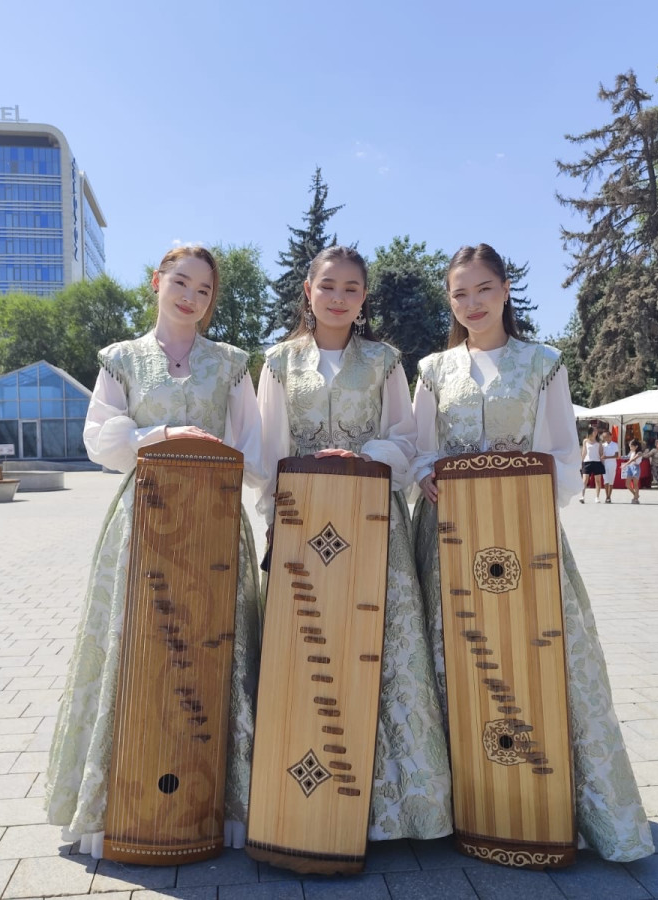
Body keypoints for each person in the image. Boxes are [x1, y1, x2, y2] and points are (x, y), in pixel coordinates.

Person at [411, 243, 653, 863]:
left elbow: (563, 455)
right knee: (453, 657)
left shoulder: (543, 362)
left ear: (505, 290)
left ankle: (548, 798)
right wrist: (424, 475)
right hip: (450, 535)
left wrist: (524, 498)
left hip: (524, 532)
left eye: (483, 289)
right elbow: (420, 447)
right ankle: (466, 803)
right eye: (460, 293)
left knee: (541, 657)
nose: (472, 304)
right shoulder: (433, 370)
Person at [44, 246, 265, 857]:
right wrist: (162, 434)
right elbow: (102, 441)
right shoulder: (121, 359)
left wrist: (218, 456)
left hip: (216, 518)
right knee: (137, 646)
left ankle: (220, 807)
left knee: (220, 648)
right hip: (143, 518)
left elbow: (255, 447)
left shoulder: (232, 364)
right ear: (157, 283)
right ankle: (121, 804)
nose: (190, 296)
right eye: (180, 283)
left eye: (203, 289)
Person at [256, 244, 451, 841]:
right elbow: (268, 451)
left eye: (351, 288)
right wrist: (274, 515)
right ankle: (304, 802)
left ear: (363, 299)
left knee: (382, 644)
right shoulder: (278, 363)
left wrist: (363, 455)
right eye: (328, 286)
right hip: (304, 519)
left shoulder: (388, 362)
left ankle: (397, 808)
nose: (338, 297)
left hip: (374, 519)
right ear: (308, 292)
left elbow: (407, 437)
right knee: (314, 644)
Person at [580, 424, 605, 503]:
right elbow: (584, 452)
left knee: (597, 480)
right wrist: (581, 461)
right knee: (585, 480)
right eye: (594, 430)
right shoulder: (585, 441)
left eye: (596, 430)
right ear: (590, 431)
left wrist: (603, 460)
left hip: (597, 462)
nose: (596, 432)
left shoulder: (599, 442)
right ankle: (582, 496)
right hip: (587, 461)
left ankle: (597, 497)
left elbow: (601, 453)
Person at [623, 439, 644, 504]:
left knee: (635, 485)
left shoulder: (639, 453)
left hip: (636, 468)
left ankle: (635, 498)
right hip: (630, 467)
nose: (630, 447)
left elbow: (633, 459)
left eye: (631, 446)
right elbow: (628, 457)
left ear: (636, 446)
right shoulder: (631, 452)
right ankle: (636, 494)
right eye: (629, 446)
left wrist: (626, 464)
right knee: (627, 484)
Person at [602, 431, 619, 503]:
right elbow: (601, 455)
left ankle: (609, 496)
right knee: (605, 481)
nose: (606, 438)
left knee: (611, 481)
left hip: (612, 464)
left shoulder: (615, 444)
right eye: (604, 437)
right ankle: (607, 496)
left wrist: (607, 457)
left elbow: (616, 455)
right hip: (604, 465)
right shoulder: (603, 445)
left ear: (611, 436)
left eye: (607, 436)